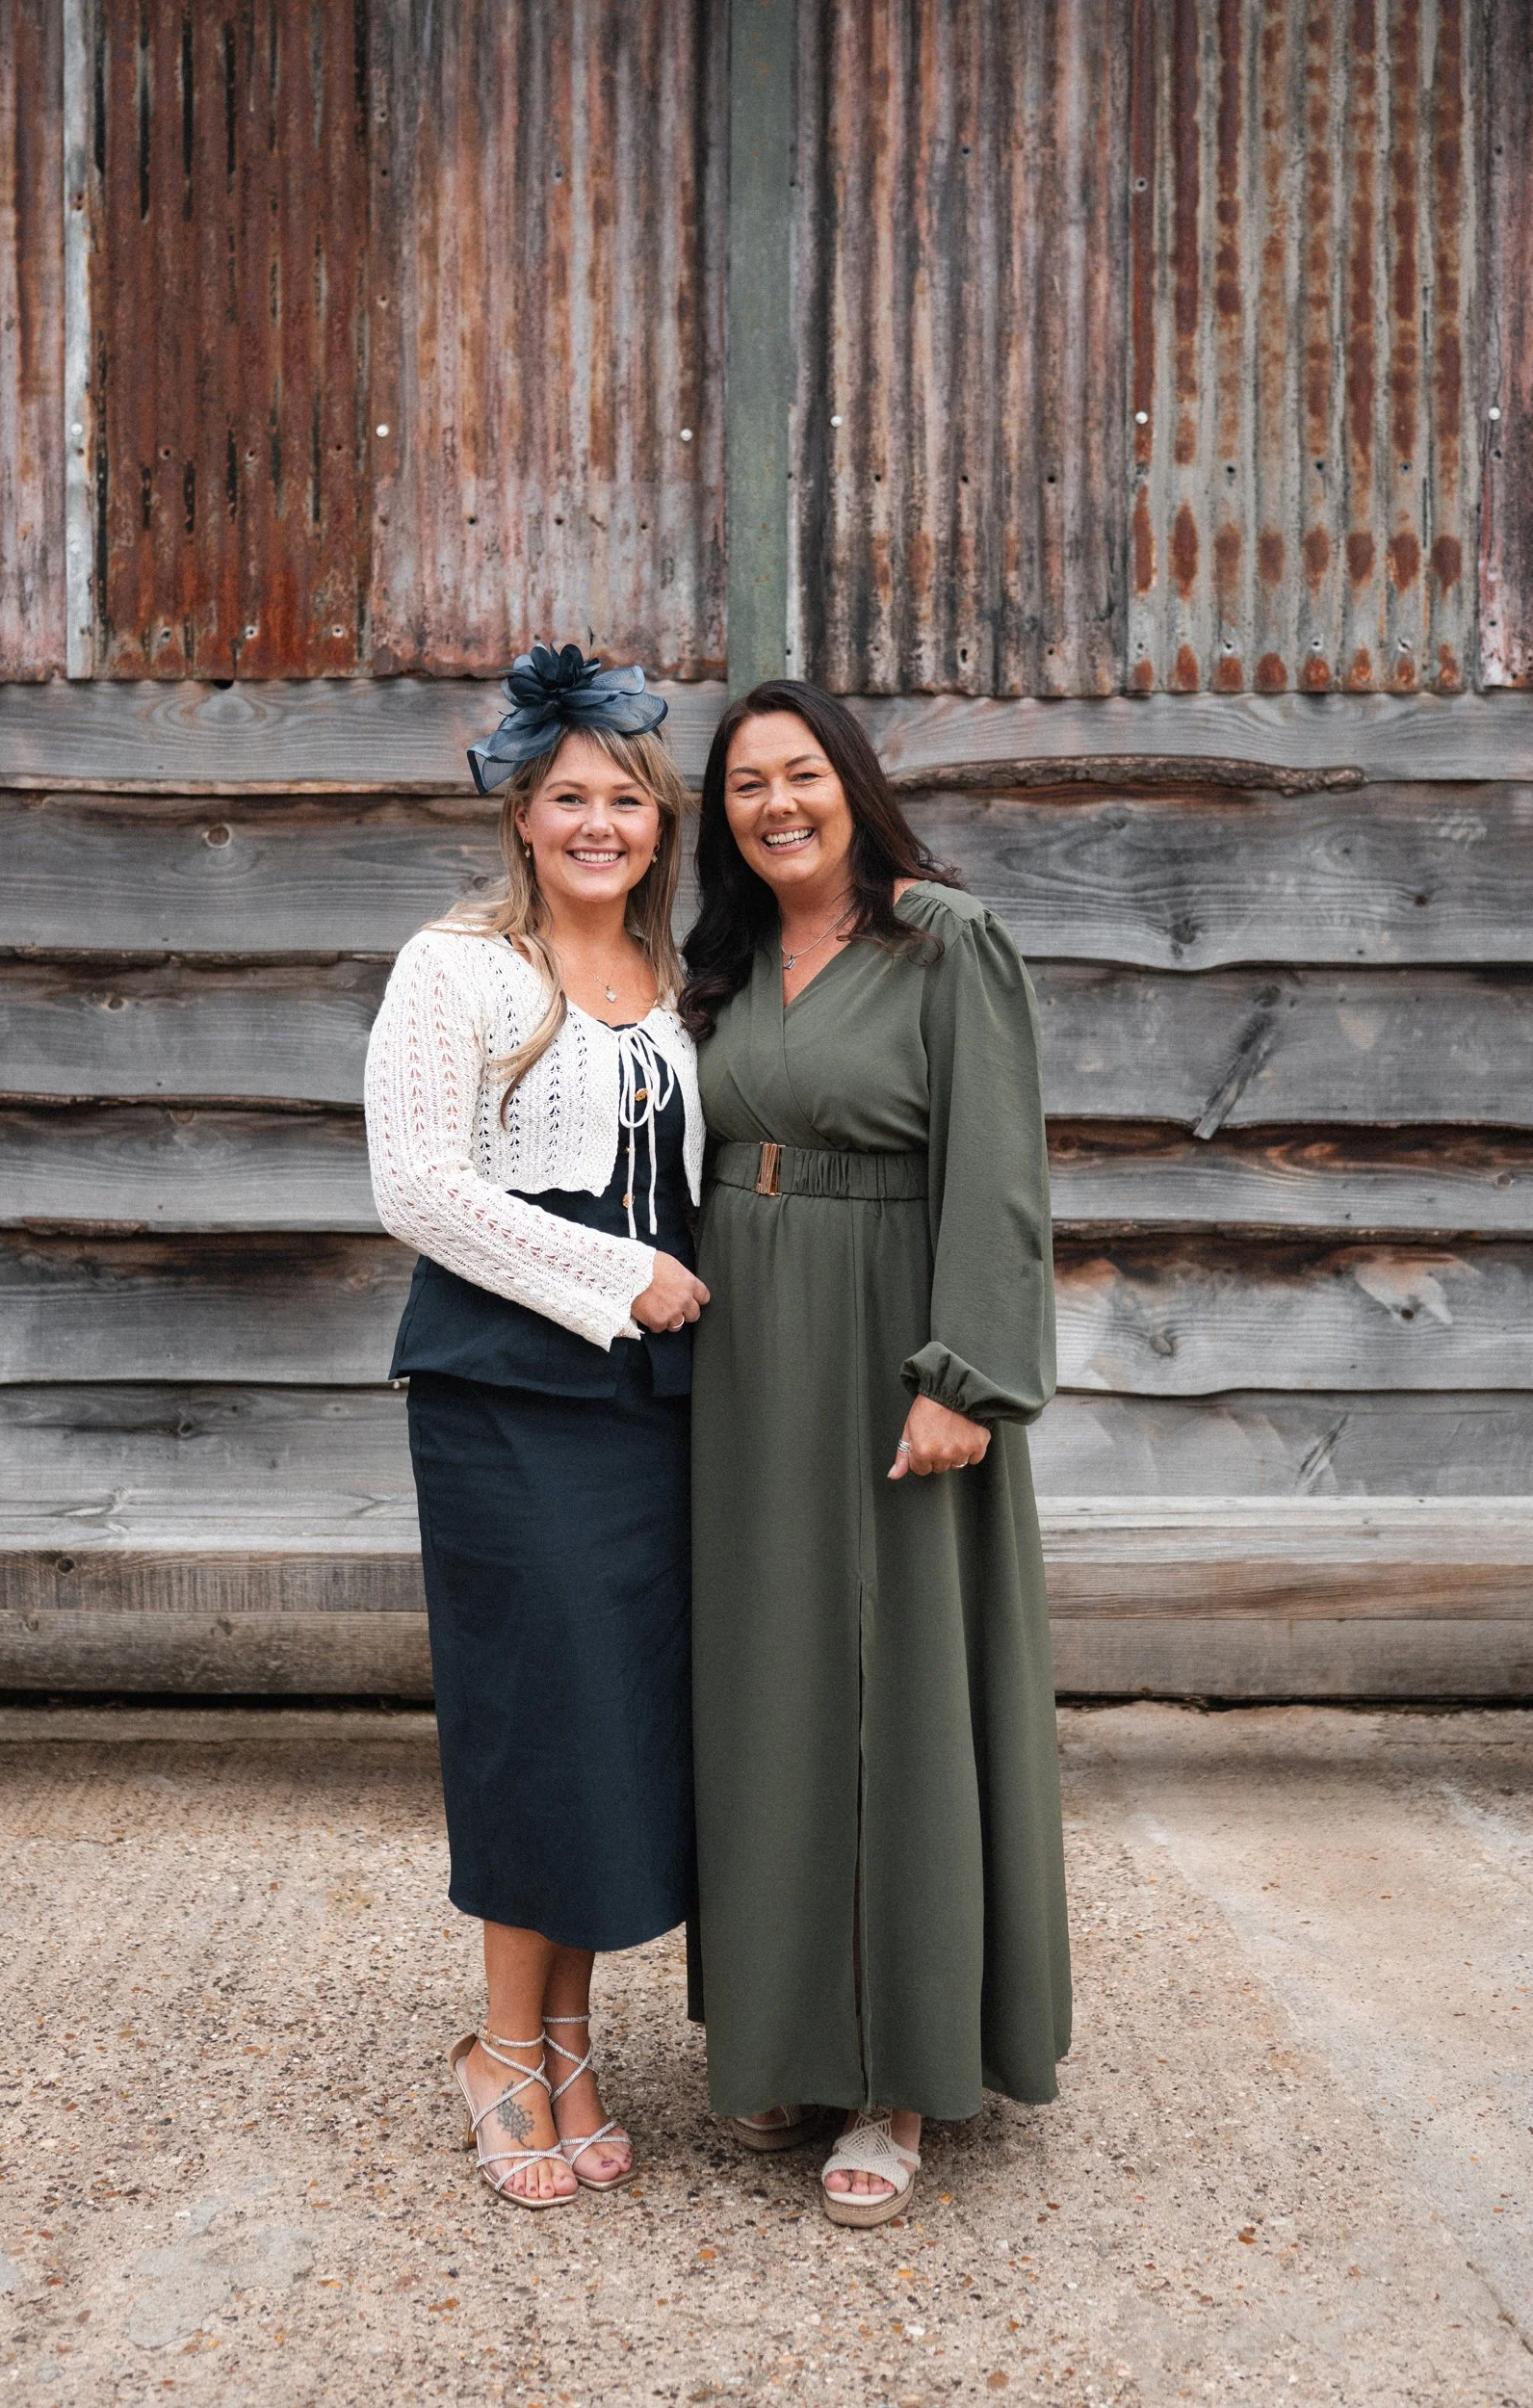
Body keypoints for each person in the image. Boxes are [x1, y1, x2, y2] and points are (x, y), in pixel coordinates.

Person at [681, 680, 1070, 2228]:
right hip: (747, 1361)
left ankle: (899, 2073)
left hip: (891, 1346)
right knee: (769, 1687)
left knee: (895, 1692)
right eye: (744, 786)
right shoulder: (716, 968)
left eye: (800, 775)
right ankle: (784, 2034)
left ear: (849, 782)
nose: (775, 805)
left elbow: (999, 1169)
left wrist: (962, 1376)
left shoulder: (943, 941)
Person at [363, 644, 708, 2210]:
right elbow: (419, 1187)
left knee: (613, 1713)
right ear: (520, 816)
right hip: (510, 1391)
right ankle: (502, 2049)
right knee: (534, 1712)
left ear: (658, 823)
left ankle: (571, 2038)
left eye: (623, 800)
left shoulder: (674, 979)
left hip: (650, 1410)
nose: (596, 823)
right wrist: (617, 1272)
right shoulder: (457, 969)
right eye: (568, 796)